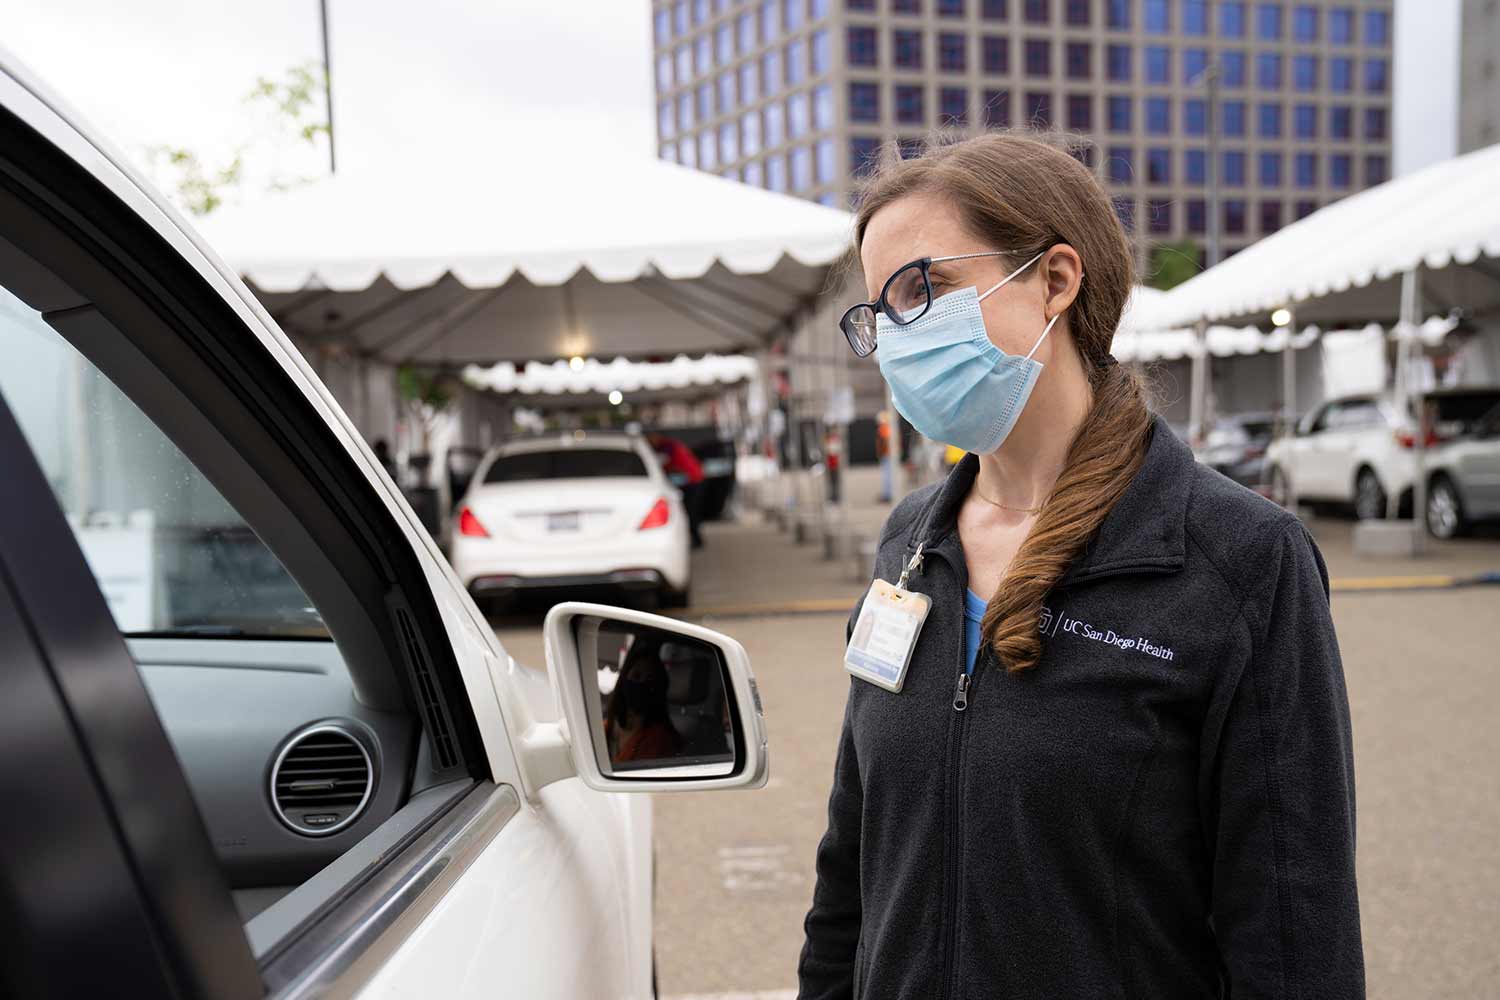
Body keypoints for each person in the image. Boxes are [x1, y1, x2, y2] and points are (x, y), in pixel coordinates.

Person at [800, 133, 1362, 999]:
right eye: (880, 310)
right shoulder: (912, 543)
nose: (897, 337)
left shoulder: (1239, 561)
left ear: (1056, 279)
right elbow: (853, 866)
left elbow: (1293, 936)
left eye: (925, 289)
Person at [649, 432, 706, 549]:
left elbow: (662, 463)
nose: (650, 443)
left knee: (690, 511)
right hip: (691, 479)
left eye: (651, 440)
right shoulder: (668, 446)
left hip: (692, 480)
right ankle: (696, 539)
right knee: (690, 511)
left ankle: (697, 540)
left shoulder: (668, 447)